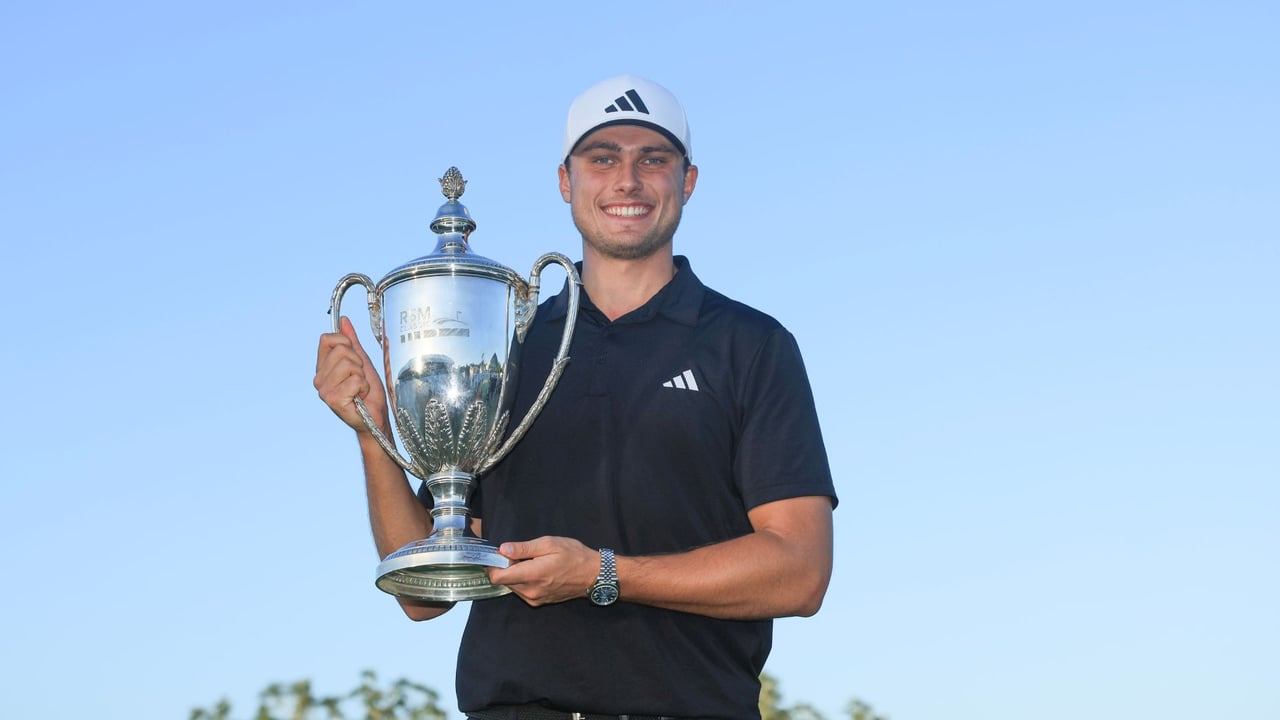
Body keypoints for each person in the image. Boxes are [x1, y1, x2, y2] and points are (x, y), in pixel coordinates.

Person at [314, 75, 837, 720]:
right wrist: (372, 431)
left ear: (688, 182)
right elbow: (425, 594)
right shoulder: (506, 350)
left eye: (653, 159)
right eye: (603, 158)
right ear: (565, 182)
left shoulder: (751, 345)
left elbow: (800, 569)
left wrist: (602, 575)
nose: (627, 180)